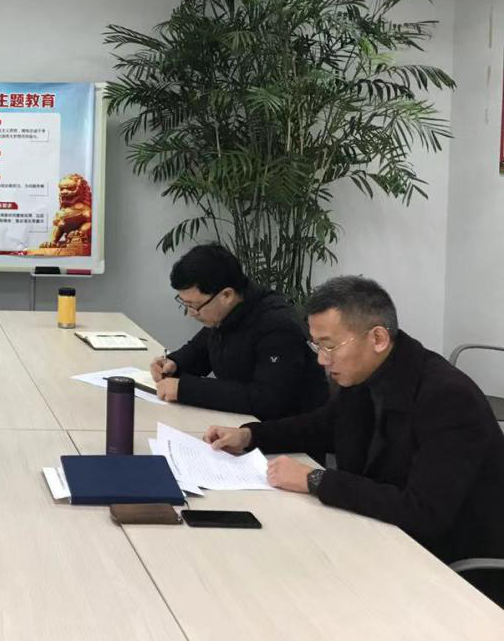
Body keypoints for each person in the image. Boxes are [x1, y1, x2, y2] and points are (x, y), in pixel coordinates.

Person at [206, 276, 504, 605]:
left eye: (329, 346)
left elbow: (423, 512)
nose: (322, 359)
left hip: (449, 570)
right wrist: (250, 435)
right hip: (378, 536)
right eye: (317, 346)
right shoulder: (366, 374)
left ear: (377, 338)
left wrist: (316, 480)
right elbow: (322, 426)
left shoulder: (447, 398)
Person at [149, 243, 328, 419]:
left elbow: (266, 400)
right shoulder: (226, 314)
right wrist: (174, 363)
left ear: (226, 295)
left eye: (194, 306)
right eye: (185, 304)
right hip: (243, 423)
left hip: (287, 431)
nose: (190, 313)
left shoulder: (278, 327)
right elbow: (200, 351)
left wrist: (186, 389)